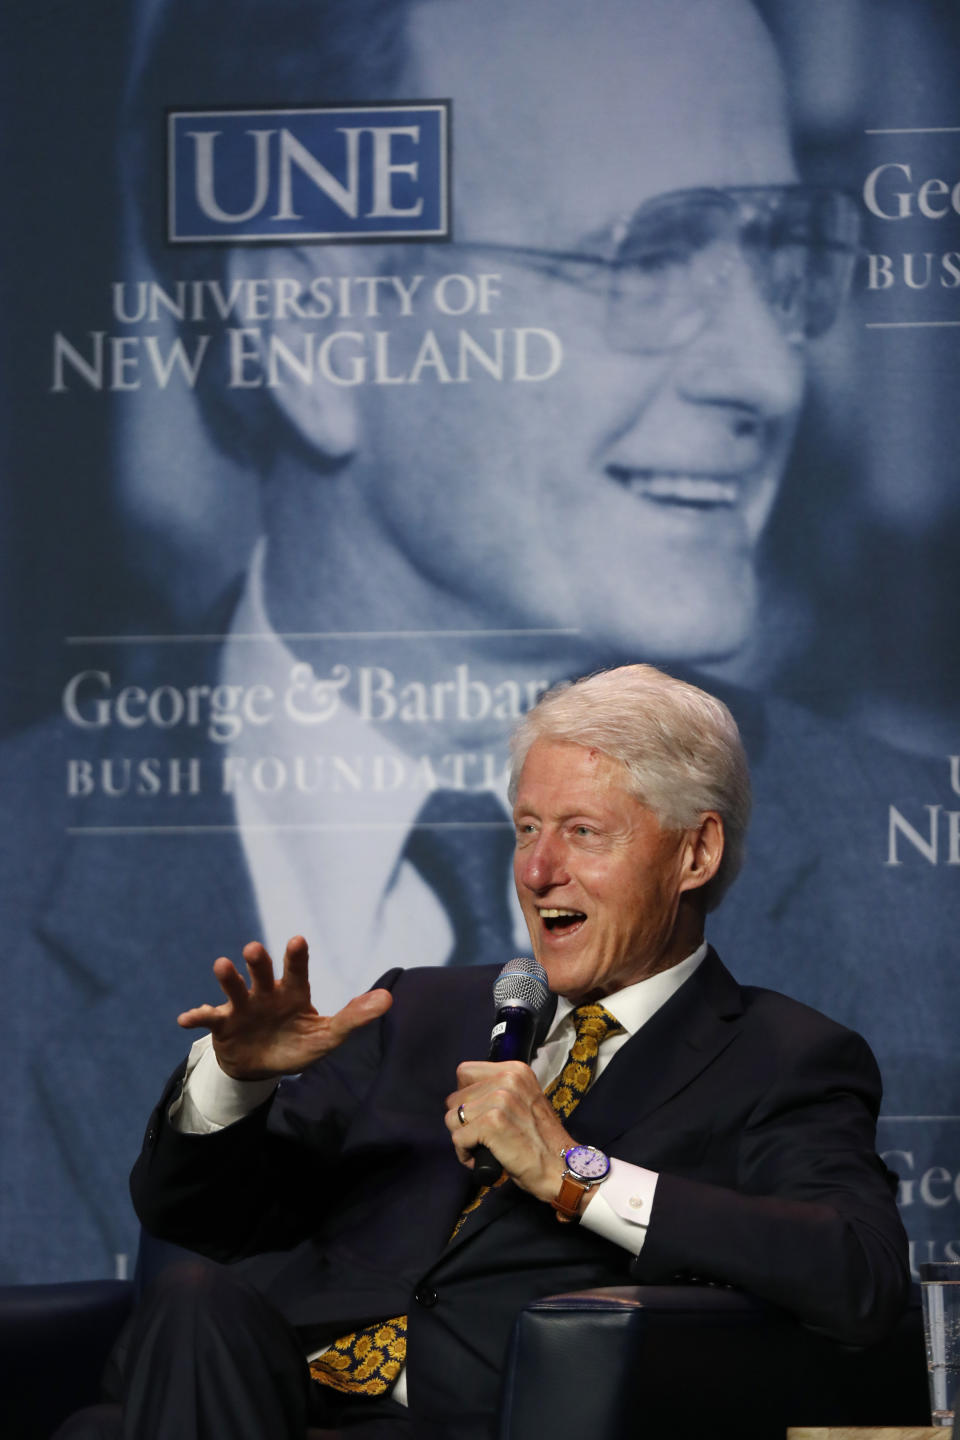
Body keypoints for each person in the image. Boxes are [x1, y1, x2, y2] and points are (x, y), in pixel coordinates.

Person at [1, 0, 953, 1290]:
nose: (769, 378)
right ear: (314, 332)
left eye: (778, 254)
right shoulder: (27, 879)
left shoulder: (929, 901)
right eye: (648, 259)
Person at [54, 665, 909, 1440]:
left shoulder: (782, 1056)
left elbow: (859, 1277)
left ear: (696, 851)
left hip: (462, 1418)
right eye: (527, 827)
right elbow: (196, 1218)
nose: (537, 870)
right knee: (193, 1301)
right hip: (257, 1386)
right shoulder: (419, 1008)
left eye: (582, 831)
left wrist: (576, 1174)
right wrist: (233, 1085)